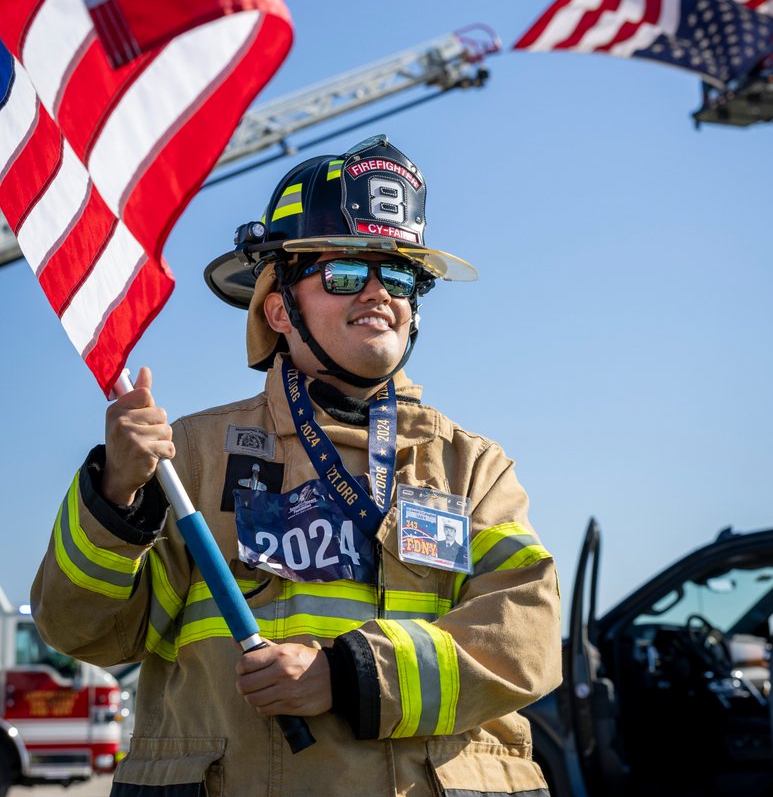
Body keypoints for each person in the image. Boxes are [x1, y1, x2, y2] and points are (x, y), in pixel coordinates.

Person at [31, 134, 561, 796]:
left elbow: (526, 640)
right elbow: (86, 630)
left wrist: (346, 675)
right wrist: (116, 493)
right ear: (279, 307)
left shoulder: (472, 467)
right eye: (345, 274)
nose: (377, 293)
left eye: (397, 275)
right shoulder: (189, 457)